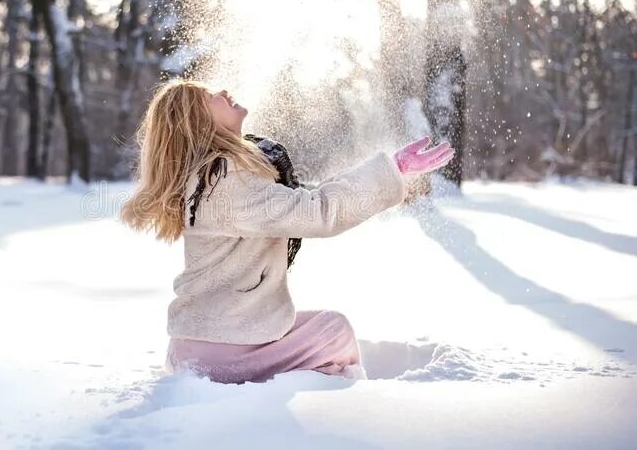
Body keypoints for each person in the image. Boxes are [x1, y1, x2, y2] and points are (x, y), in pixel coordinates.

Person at [120, 79, 454, 384]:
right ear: (198, 121)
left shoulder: (212, 176)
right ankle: (317, 404)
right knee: (334, 333)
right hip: (222, 351)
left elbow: (301, 201)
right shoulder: (227, 178)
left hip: (201, 344)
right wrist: (393, 169)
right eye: (210, 97)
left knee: (324, 328)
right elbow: (317, 210)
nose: (221, 92)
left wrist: (385, 172)